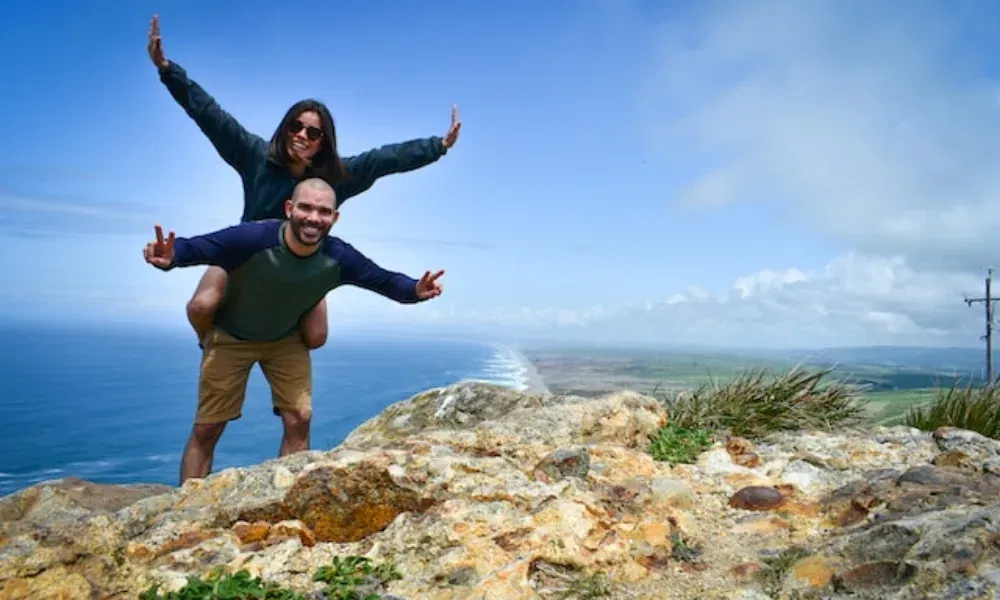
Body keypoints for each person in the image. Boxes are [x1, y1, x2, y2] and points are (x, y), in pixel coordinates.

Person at [146, 14, 461, 350]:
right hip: (245, 256)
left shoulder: (336, 177)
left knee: (316, 336)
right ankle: (209, 341)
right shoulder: (254, 155)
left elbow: (384, 159)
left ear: (322, 142)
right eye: (295, 126)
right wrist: (167, 69)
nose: (301, 135)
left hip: (303, 265)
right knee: (201, 305)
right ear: (285, 128)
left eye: (312, 132)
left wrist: (438, 146)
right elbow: (211, 116)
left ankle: (283, 339)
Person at [143, 178, 445, 484]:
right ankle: (188, 503)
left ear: (335, 218)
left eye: (324, 211)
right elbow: (200, 247)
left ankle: (286, 495)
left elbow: (382, 279)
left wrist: (414, 290)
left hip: (285, 340)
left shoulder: (339, 256)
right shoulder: (254, 238)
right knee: (208, 427)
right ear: (289, 209)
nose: (314, 218)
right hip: (231, 337)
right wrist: (170, 257)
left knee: (299, 418)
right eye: (306, 208)